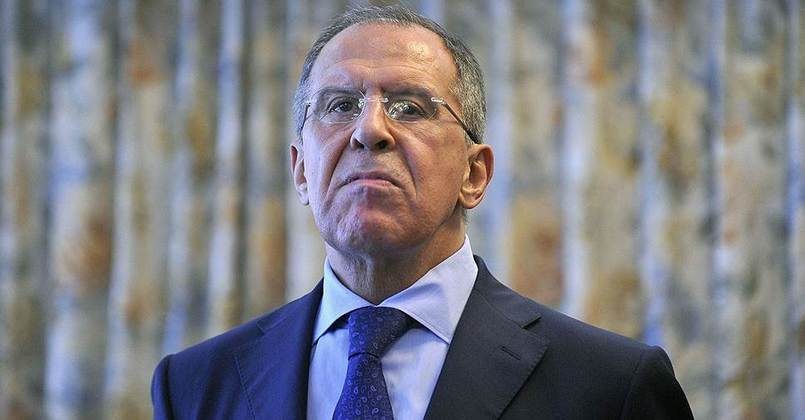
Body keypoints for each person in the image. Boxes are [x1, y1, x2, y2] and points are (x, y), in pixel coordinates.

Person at [151, 5, 693, 420]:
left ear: (474, 174)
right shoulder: (194, 387)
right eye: (340, 106)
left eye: (409, 107)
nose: (369, 130)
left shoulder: (611, 387)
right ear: (301, 173)